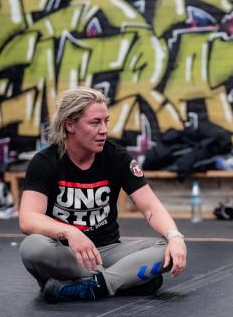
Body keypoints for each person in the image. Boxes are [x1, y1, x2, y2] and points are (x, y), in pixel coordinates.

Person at [19, 88, 187, 303]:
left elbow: (150, 207)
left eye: (106, 121)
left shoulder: (117, 157)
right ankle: (127, 280)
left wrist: (175, 237)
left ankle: (95, 286)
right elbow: (28, 219)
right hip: (66, 254)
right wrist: (69, 232)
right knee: (32, 247)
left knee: (167, 250)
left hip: (108, 252)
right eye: (95, 123)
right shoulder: (45, 161)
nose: (104, 130)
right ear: (70, 124)